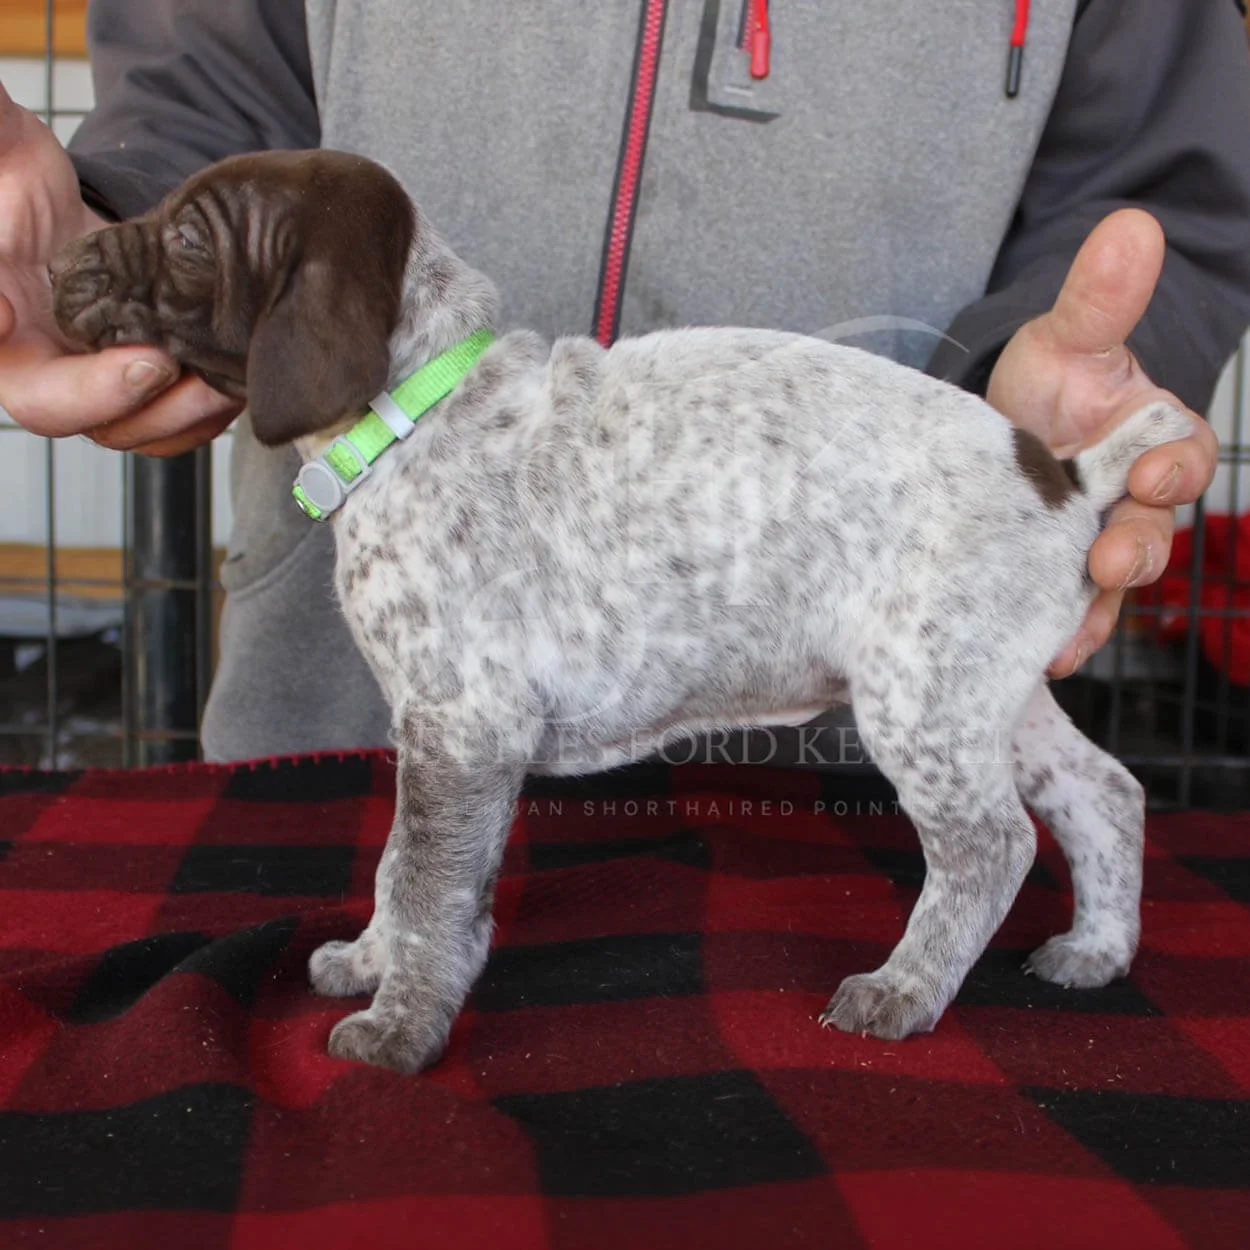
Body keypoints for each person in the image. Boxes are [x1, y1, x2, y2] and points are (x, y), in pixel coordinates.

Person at [1, 0, 1246, 762]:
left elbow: (1167, 191)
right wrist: (122, 245)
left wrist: (1015, 431)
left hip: (855, 761)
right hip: (346, 725)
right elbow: (206, 85)